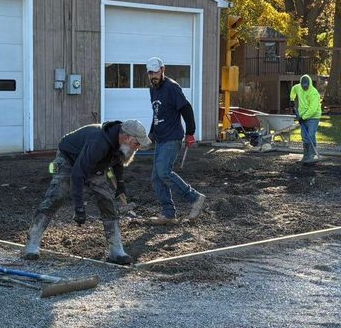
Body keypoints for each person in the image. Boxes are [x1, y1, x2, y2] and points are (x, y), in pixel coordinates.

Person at [23, 119, 150, 265]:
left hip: (95, 163)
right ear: (127, 137)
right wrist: (79, 207)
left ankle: (116, 250)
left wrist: (120, 184)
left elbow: (118, 161)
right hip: (69, 158)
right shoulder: (98, 143)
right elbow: (77, 173)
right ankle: (32, 243)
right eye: (137, 143)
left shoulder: (121, 142)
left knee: (107, 201)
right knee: (56, 196)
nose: (138, 147)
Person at [146, 57, 207, 223]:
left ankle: (195, 198)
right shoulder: (153, 89)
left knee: (163, 172)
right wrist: (151, 133)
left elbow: (186, 109)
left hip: (172, 138)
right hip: (160, 138)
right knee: (156, 177)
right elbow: (156, 113)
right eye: (150, 73)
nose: (153, 76)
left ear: (163, 69)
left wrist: (190, 132)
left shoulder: (172, 88)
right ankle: (168, 213)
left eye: (156, 72)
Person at [290, 74, 322, 164]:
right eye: (303, 86)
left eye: (306, 86)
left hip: (313, 117)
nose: (305, 88)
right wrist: (292, 99)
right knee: (304, 136)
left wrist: (303, 118)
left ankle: (312, 154)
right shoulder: (298, 87)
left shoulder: (314, 93)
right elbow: (294, 89)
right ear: (301, 84)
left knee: (310, 134)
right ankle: (306, 155)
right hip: (302, 116)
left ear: (309, 84)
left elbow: (313, 109)